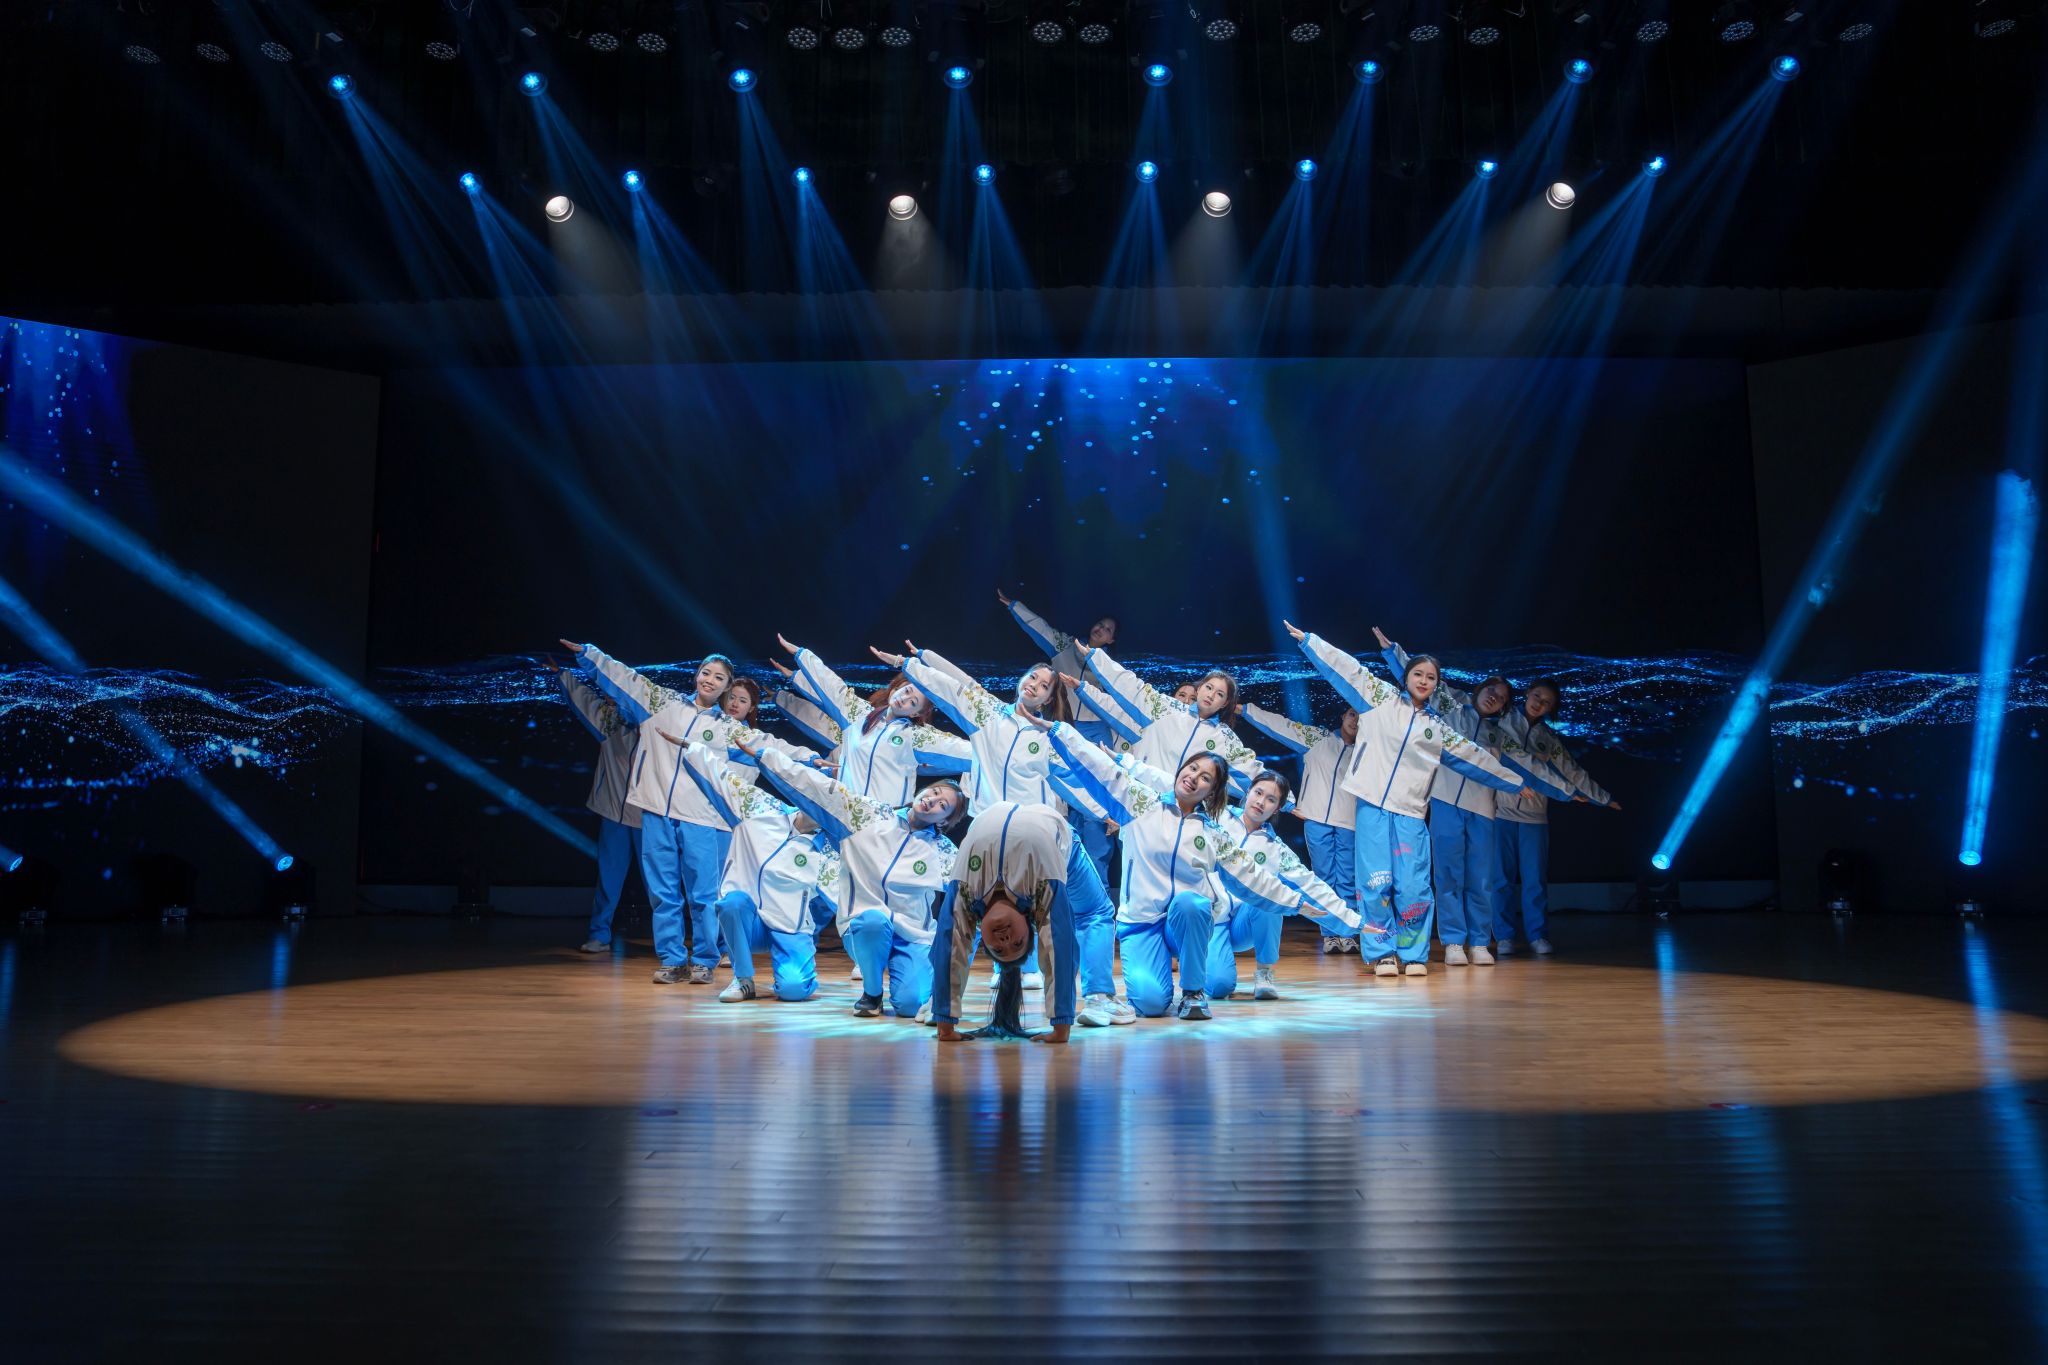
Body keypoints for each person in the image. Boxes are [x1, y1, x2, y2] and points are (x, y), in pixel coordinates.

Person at [878, 642, 1136, 1028]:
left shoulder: (1005, 721)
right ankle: (1097, 998)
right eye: (1033, 677)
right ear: (1021, 681)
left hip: (990, 837)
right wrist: (1111, 813)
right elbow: (950, 690)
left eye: (1044, 685)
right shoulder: (1030, 729)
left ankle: (939, 1002)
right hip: (1035, 839)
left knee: (963, 917)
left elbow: (1075, 781)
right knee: (1092, 912)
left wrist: (910, 665)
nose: (1035, 684)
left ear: (1048, 699)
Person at [1039, 722, 1341, 1020]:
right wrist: (1057, 731)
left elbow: (1259, 878)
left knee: (1195, 904)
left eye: (1205, 778)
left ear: (1212, 792)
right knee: (1151, 1005)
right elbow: (1103, 771)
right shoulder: (1143, 804)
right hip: (1143, 921)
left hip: (1191, 919)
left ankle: (1194, 993)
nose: (1195, 778)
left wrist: (1307, 906)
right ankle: (1151, 983)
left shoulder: (1215, 832)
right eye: (1192, 769)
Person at [1285, 622, 1532, 977]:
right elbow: (1349, 670)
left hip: (1411, 813)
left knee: (1413, 885)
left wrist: (1512, 781)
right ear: (1406, 676)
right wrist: (1310, 642)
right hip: (1371, 807)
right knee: (1375, 882)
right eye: (1418, 673)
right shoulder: (1380, 699)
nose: (1424, 681)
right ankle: (1382, 953)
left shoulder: (1438, 729)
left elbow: (1474, 757)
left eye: (1431, 677)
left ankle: (1413, 954)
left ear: (1436, 685)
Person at [561, 640, 815, 985]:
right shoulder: (662, 704)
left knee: (703, 894)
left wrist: (811, 759)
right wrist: (589, 654)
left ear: (726, 687)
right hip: (655, 811)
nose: (710, 680)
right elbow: (625, 679)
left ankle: (705, 959)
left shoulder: (726, 728)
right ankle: (672, 959)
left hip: (700, 817)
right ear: (697, 675)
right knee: (662, 893)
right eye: (706, 673)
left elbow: (767, 746)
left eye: (719, 678)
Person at [1372, 630, 1580, 966]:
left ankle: (1480, 942)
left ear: (1504, 706)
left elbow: (1531, 766)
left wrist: (1568, 792)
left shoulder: (1500, 736)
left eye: (1502, 698)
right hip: (1445, 804)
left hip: (1482, 811)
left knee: (1481, 879)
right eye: (1491, 691)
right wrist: (1390, 650)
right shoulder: (1452, 708)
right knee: (1448, 876)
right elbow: (1419, 678)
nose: (1494, 698)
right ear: (1480, 689)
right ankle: (1454, 942)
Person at [742, 737, 964, 1019]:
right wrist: (767, 756)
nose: (932, 800)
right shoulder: (867, 816)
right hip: (864, 925)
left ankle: (910, 983)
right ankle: (872, 994)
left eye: (942, 805)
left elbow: (971, 890)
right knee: (873, 920)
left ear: (944, 821)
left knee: (910, 1006)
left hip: (912, 935)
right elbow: (816, 786)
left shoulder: (943, 852)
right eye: (934, 791)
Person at [665, 738, 839, 1002]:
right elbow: (724, 780)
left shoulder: (828, 849)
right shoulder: (760, 809)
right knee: (731, 904)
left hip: (789, 927)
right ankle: (743, 979)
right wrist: (694, 747)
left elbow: (843, 899)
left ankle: (793, 972)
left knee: (794, 991)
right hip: (750, 921)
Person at [929, 800, 1082, 1044]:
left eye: (998, 949)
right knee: (1093, 911)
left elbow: (950, 948)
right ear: (1032, 923)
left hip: (1009, 818)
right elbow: (1061, 947)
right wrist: (1061, 1025)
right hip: (1060, 837)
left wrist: (945, 1024)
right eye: (1017, 943)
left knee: (1095, 913)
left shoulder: (966, 892)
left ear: (980, 934)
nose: (1005, 940)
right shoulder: (1043, 887)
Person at [1489, 678, 1620, 957]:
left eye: (1547, 702)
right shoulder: (1502, 722)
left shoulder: (1549, 739)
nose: (1539, 703)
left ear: (1552, 708)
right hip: (1501, 813)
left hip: (1535, 818)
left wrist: (1603, 797)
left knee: (1535, 880)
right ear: (1527, 693)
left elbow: (1573, 771)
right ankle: (1504, 936)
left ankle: (1537, 935)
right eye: (1537, 696)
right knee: (1501, 879)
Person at [1203, 771, 1358, 998]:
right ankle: (1202, 962)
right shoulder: (1216, 817)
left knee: (1272, 897)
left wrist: (1355, 921)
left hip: (1243, 925)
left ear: (1277, 809)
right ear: (1248, 792)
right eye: (1258, 793)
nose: (1260, 802)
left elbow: (1312, 885)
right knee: (1219, 987)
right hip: (1209, 920)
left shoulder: (1276, 849)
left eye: (1271, 799)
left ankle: (1264, 973)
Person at [774, 633, 971, 805]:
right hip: (846, 812)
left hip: (885, 823)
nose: (904, 699)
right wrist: (802, 654)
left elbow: (966, 752)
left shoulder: (917, 738)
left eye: (913, 702)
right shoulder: (858, 714)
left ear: (916, 713)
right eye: (906, 691)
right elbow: (831, 686)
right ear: (897, 688)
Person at [1237, 700, 1360, 953]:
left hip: (1349, 822)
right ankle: (1330, 935)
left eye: (1361, 718)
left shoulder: (1366, 751)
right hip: (1316, 819)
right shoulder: (1318, 739)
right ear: (1343, 716)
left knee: (1347, 879)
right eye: (1351, 714)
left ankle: (1347, 933)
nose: (1355, 721)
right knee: (1323, 878)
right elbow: (1281, 726)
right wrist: (1246, 710)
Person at [1074, 642, 1262, 795]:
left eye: (1220, 694)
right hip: (1141, 795)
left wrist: (1278, 796)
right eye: (1209, 687)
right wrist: (1096, 658)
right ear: (1199, 688)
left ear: (1224, 703)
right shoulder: (1167, 709)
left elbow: (1252, 771)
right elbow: (1133, 687)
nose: (1211, 695)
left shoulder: (1225, 739)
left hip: (1181, 811)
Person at [555, 664, 643, 955]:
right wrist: (562, 674)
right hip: (614, 815)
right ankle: (599, 934)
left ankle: (672, 941)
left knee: (659, 886)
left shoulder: (655, 729)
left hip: (649, 818)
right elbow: (583, 699)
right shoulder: (610, 724)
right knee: (609, 879)